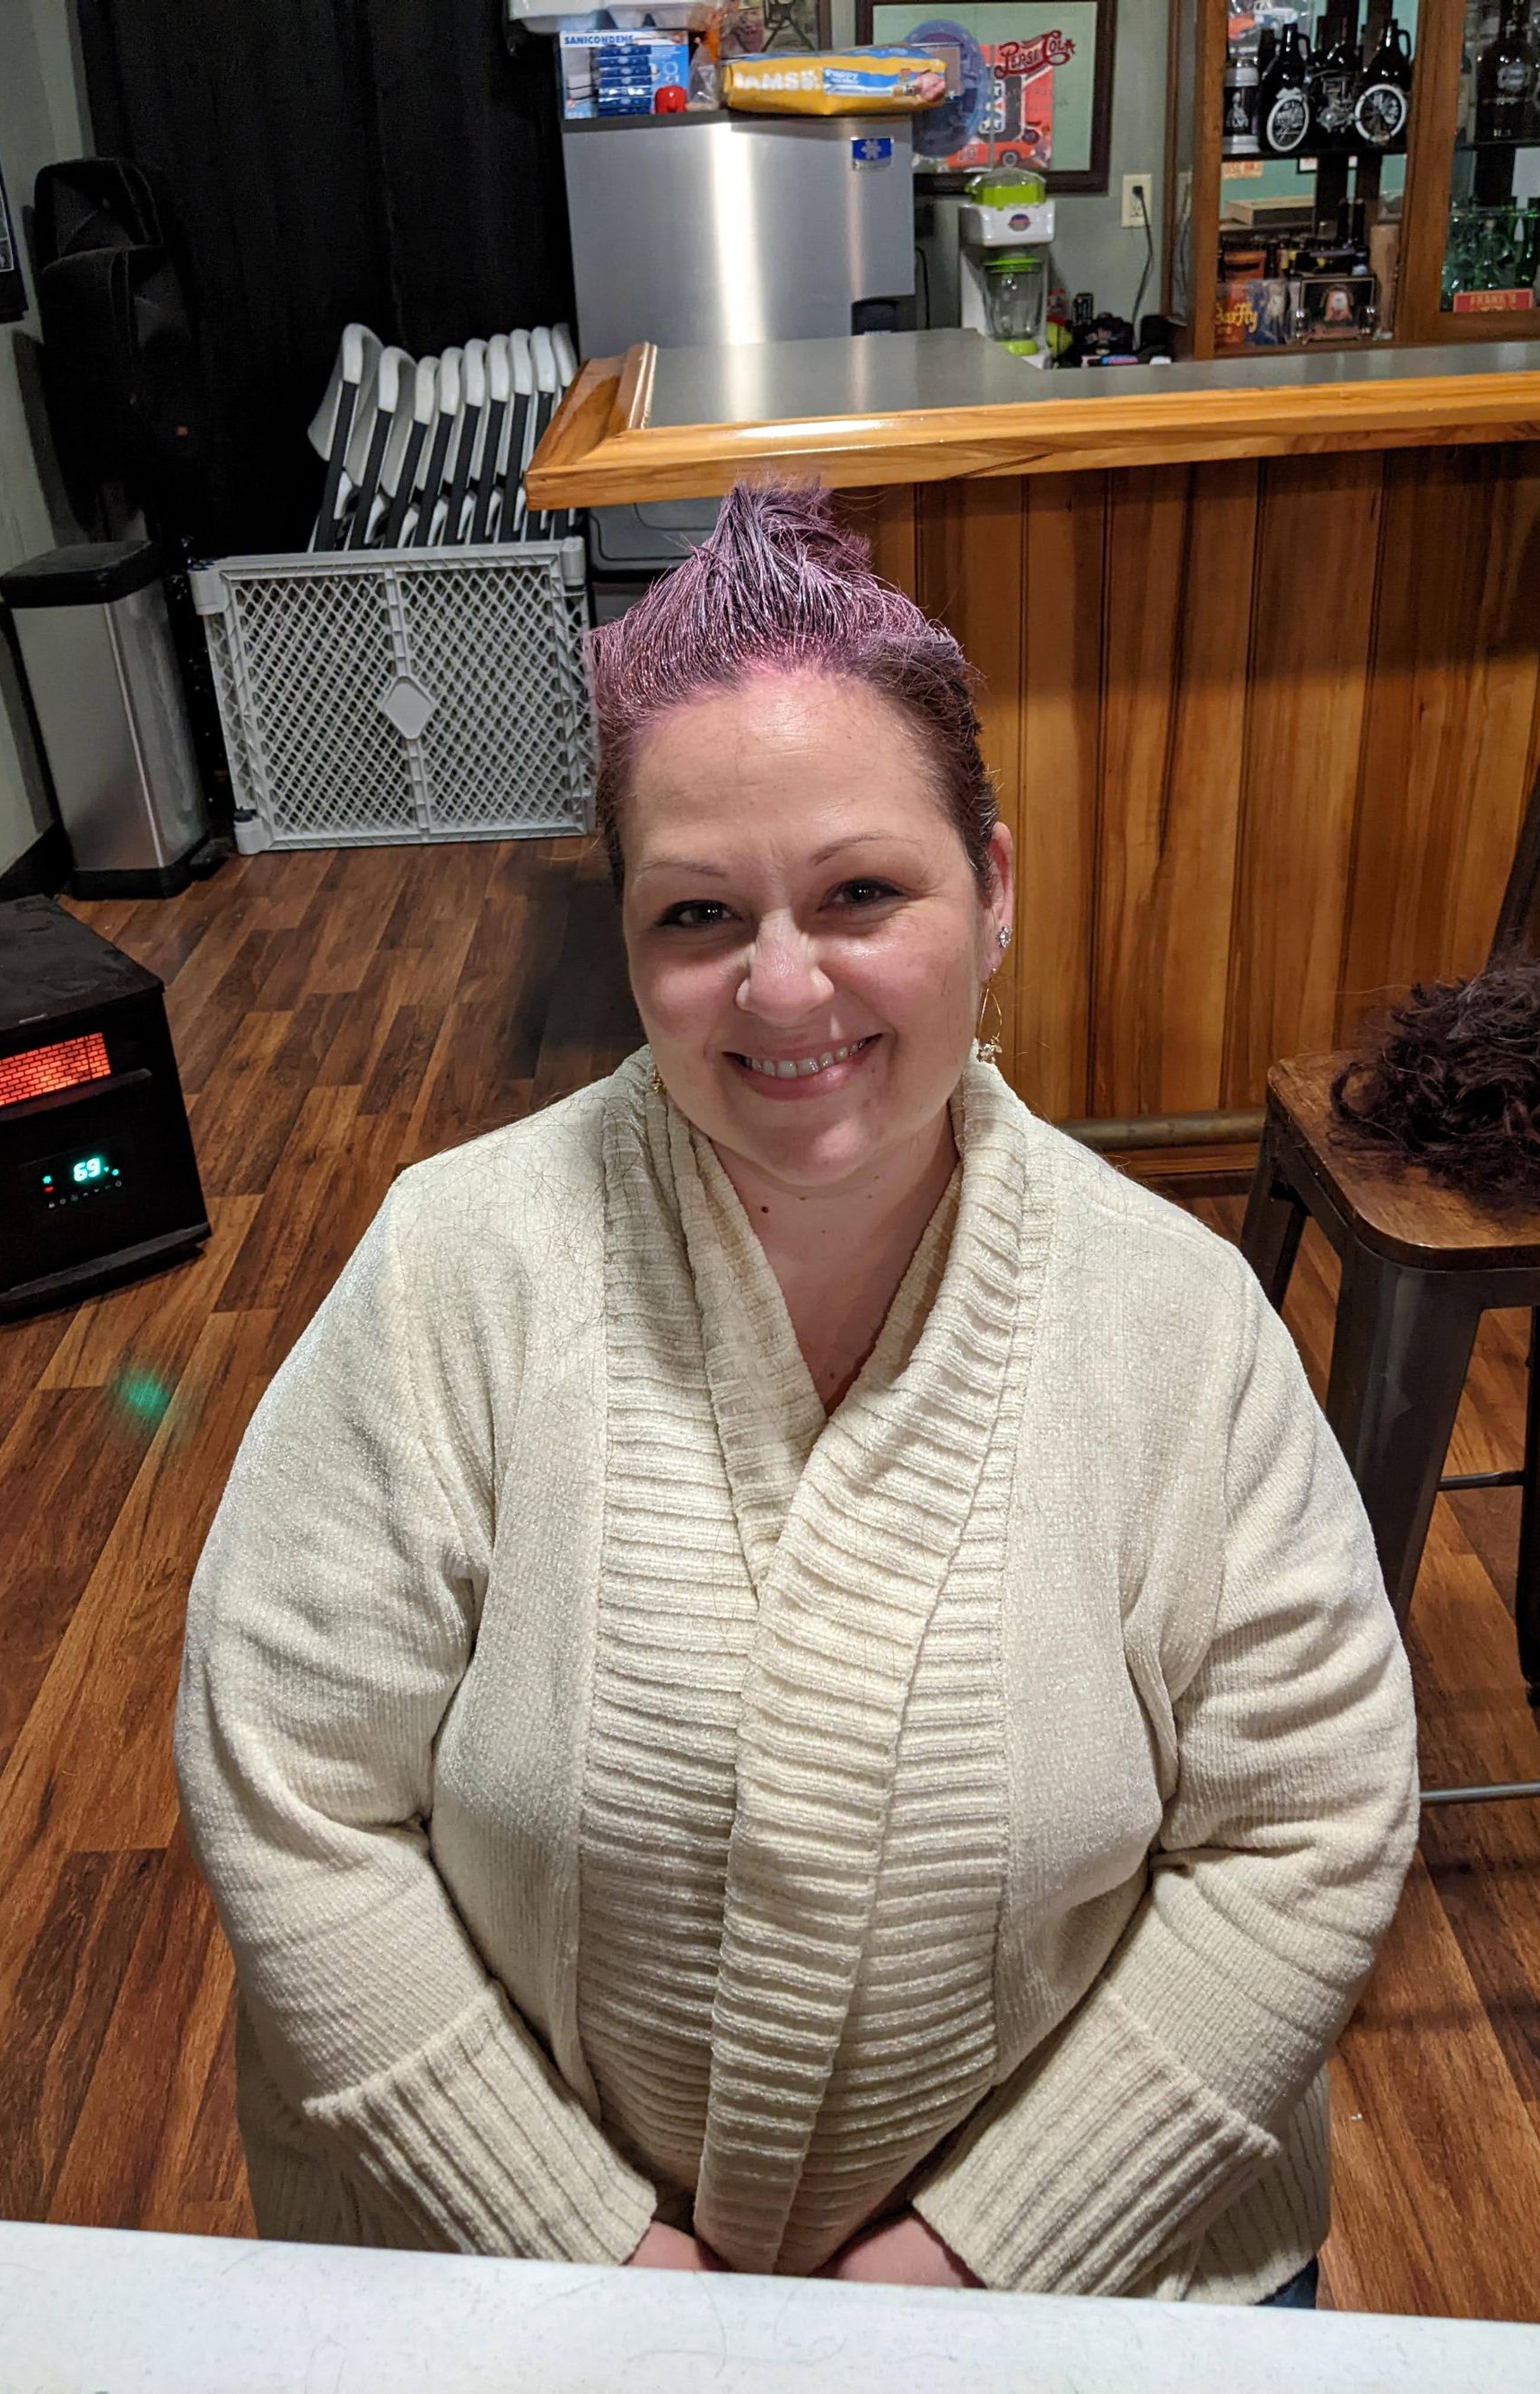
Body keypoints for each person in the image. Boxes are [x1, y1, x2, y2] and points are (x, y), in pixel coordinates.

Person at [174, 482, 1418, 2307]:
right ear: (624, 939)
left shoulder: (1178, 1323)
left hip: (1090, 2292)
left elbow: (1306, 1822)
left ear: (993, 889)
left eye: (860, 893)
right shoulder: (454, 1268)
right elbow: (292, 1786)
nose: (779, 985)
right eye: (697, 912)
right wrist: (599, 2259)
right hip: (520, 2292)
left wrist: (973, 2261)